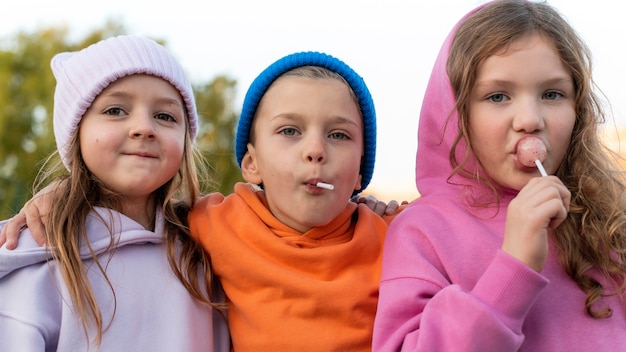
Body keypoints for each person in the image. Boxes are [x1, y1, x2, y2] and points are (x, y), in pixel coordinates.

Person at [372, 0, 626, 350]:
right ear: (455, 111)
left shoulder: (609, 224)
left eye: (552, 94)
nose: (529, 119)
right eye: (498, 96)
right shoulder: (423, 232)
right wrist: (515, 266)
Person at [0, 35, 230, 351]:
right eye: (116, 110)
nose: (144, 127)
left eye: (165, 116)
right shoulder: (41, 248)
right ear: (75, 133)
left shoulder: (209, 247)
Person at [187, 51, 405, 351]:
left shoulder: (398, 237)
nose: (315, 150)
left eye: (339, 135)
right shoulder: (216, 223)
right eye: (290, 131)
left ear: (359, 171)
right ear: (252, 163)